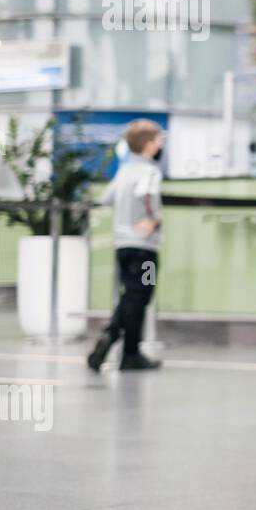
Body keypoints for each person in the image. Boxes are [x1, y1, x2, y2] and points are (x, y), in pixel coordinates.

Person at [88, 119, 165, 372]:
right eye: (158, 140)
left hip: (122, 246)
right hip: (145, 248)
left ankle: (112, 337)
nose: (161, 144)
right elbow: (149, 195)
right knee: (142, 295)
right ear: (149, 145)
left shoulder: (124, 171)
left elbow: (106, 198)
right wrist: (152, 219)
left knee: (130, 296)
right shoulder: (150, 172)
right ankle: (128, 351)